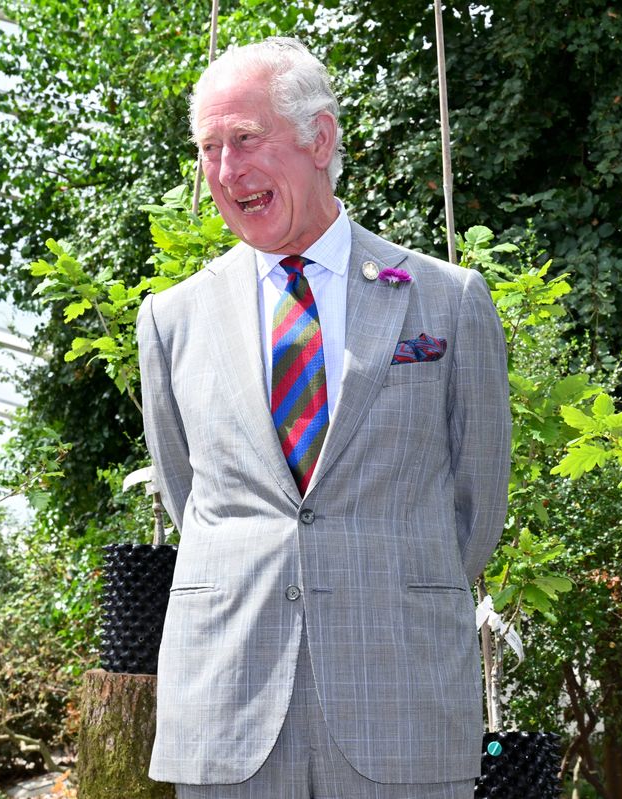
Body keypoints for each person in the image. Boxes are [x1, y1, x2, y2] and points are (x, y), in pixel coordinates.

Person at [136, 37, 510, 799]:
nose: (226, 171)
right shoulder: (171, 319)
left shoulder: (445, 298)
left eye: (244, 139)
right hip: (228, 710)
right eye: (208, 148)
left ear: (321, 138)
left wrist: (386, 584)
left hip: (402, 702)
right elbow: (191, 500)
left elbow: (478, 507)